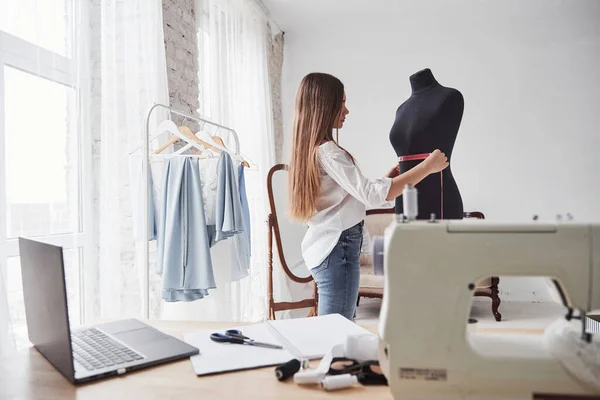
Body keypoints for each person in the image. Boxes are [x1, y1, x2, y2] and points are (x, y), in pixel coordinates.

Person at [288, 72, 449, 320]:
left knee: (340, 325)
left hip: (331, 247)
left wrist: (388, 179)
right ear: (324, 105)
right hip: (336, 248)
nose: (347, 110)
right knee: (336, 328)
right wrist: (427, 168)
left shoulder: (314, 150)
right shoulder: (328, 152)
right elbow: (372, 197)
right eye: (341, 103)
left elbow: (350, 195)